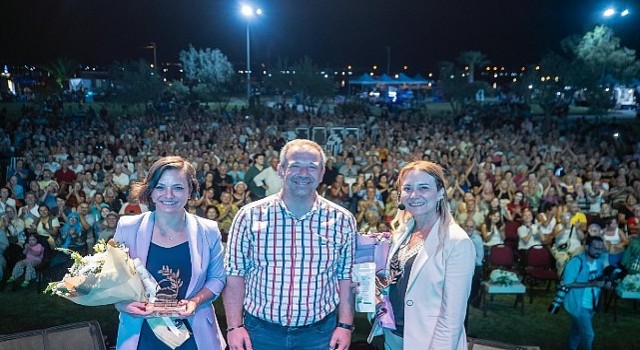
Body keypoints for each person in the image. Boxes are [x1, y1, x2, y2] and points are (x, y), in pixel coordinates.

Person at [224, 139, 357, 350]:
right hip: (259, 332)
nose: (303, 173)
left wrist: (345, 325)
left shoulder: (342, 219)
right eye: (295, 165)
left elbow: (345, 276)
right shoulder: (249, 216)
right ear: (280, 169)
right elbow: (234, 275)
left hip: (320, 334)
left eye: (312, 167)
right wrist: (234, 327)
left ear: (322, 173)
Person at [113, 156, 227, 349]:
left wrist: (195, 301)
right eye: (160, 187)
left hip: (195, 334)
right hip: (142, 334)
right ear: (150, 190)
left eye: (178, 187)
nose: (169, 194)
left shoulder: (208, 230)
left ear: (190, 190)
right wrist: (122, 304)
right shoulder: (127, 227)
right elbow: (115, 279)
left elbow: (217, 278)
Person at [372, 160, 475, 349]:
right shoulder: (402, 233)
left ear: (440, 193)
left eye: (423, 188)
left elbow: (452, 317)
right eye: (408, 188)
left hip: (428, 341)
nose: (414, 195)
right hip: (392, 335)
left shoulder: (457, 242)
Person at [562, 235, 609, 350]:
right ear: (587, 247)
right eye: (595, 248)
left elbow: (599, 279)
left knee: (577, 330)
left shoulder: (599, 262)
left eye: (600, 248)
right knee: (588, 335)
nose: (598, 252)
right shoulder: (576, 262)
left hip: (592, 304)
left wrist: (606, 283)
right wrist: (591, 284)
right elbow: (567, 283)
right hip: (579, 304)